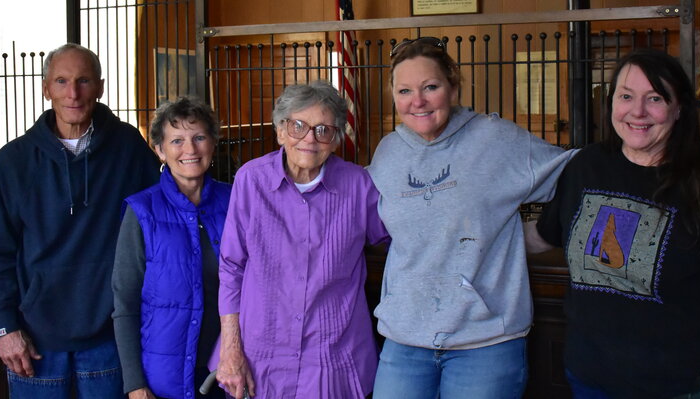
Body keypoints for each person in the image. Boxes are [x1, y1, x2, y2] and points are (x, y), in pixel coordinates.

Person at [526, 48, 700, 398]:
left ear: (678, 109)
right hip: (589, 378)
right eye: (626, 96)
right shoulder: (587, 166)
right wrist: (471, 228)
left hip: (678, 387)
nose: (638, 111)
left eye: (655, 98)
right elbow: (542, 236)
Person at [367, 36, 576, 399]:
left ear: (452, 85)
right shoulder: (388, 153)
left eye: (430, 87)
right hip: (404, 340)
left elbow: (575, 174)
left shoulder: (496, 139)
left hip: (485, 341)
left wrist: (543, 231)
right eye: (405, 91)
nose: (417, 101)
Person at [0, 43, 161, 398]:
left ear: (101, 87)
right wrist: (4, 328)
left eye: (83, 81)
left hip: (110, 339)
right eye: (61, 81)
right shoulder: (14, 159)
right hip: (33, 342)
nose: (73, 93)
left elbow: (159, 223)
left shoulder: (128, 146)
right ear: (46, 88)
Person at [215, 81, 390, 399]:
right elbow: (231, 268)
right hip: (262, 356)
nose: (309, 138)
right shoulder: (251, 180)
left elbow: (403, 241)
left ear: (336, 140)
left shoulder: (358, 185)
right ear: (280, 131)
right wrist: (230, 349)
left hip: (333, 356)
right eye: (298, 126)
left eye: (323, 129)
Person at [112, 97, 231, 399]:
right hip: (161, 382)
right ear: (159, 150)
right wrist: (135, 385)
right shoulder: (142, 211)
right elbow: (125, 304)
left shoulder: (236, 201)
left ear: (213, 143)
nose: (190, 149)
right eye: (177, 140)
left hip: (227, 374)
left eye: (199, 137)